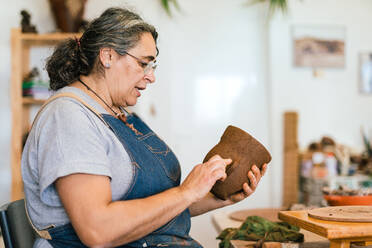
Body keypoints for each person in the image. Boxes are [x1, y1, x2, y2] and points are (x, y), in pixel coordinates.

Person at [21, 7, 267, 248]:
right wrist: (187, 191)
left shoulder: (118, 113)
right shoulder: (68, 117)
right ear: (107, 56)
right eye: (143, 63)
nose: (151, 77)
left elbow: (156, 212)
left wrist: (219, 198)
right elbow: (97, 230)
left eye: (153, 66)